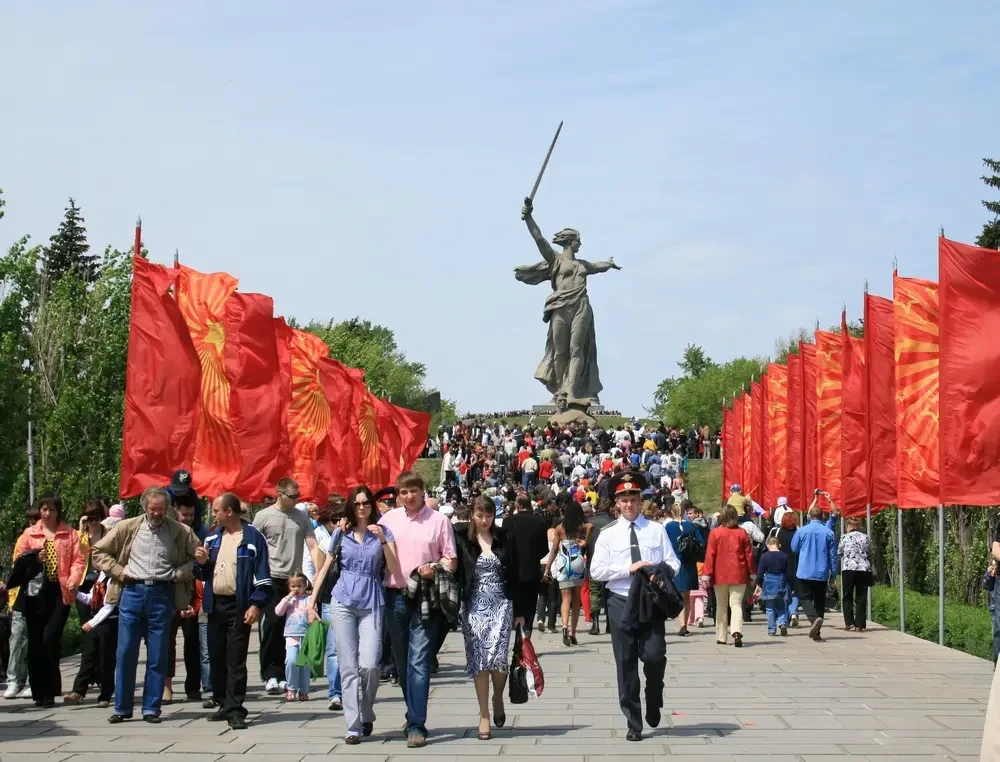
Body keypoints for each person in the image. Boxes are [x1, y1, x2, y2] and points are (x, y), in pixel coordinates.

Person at [91, 487, 199, 723]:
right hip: (132, 592)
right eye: (153, 509)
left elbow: (199, 558)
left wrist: (180, 573)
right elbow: (98, 552)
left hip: (162, 594)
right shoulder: (127, 527)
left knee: (158, 654)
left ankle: (151, 708)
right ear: (144, 507)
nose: (157, 513)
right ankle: (122, 708)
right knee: (126, 651)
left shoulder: (180, 531)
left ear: (167, 508)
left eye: (161, 509)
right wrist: (119, 571)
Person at [590, 471, 680, 742]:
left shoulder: (656, 530)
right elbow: (596, 571)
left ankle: (654, 694)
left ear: (641, 501)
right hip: (621, 601)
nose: (629, 504)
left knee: (654, 656)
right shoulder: (608, 534)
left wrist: (658, 572)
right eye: (624, 499)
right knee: (626, 662)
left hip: (650, 600)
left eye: (633, 499)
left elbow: (673, 563)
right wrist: (627, 569)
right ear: (616, 503)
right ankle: (633, 721)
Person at [310, 485, 400, 745]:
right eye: (357, 503)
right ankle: (352, 725)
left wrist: (383, 541)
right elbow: (326, 566)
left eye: (366, 503)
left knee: (370, 664)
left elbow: (393, 569)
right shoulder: (342, 532)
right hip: (343, 600)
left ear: (372, 505)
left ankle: (367, 710)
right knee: (348, 666)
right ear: (351, 506)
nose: (361, 507)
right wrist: (312, 601)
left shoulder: (383, 531)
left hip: (372, 600)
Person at [515, 197, 621, 411]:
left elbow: (598, 266)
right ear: (570, 241)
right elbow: (539, 239)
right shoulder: (555, 260)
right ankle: (560, 391)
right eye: (578, 240)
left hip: (581, 306)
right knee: (560, 351)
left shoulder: (583, 265)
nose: (580, 244)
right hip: (560, 307)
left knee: (577, 350)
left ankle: (571, 392)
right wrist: (529, 217)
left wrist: (609, 263)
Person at [378, 471, 457, 748]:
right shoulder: (388, 520)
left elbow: (451, 559)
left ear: (423, 491)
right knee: (402, 665)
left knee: (419, 662)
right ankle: (412, 711)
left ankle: (416, 725)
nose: (409, 496)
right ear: (398, 495)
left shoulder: (439, 521)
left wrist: (434, 568)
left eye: (414, 490)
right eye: (404, 492)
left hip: (425, 597)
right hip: (395, 597)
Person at [194, 493, 272, 729]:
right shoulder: (212, 537)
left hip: (239, 606)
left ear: (229, 511)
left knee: (235, 659)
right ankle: (223, 703)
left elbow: (262, 575)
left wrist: (256, 604)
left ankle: (236, 710)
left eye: (217, 510)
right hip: (215, 605)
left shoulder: (252, 538)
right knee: (216, 657)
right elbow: (203, 573)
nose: (213, 514)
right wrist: (202, 563)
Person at [252, 477, 324, 695]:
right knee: (272, 625)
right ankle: (270, 674)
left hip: (294, 580)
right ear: (279, 494)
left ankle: (286, 674)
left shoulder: (301, 517)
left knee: (293, 626)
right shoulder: (263, 516)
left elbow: (312, 545)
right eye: (291, 496)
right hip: (272, 577)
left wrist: (321, 571)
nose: (295, 500)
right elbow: (252, 545)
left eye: (297, 496)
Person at [16, 495, 85, 707]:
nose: (47, 513)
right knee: (36, 642)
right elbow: (18, 561)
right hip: (35, 592)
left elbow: (79, 560)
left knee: (50, 638)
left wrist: (73, 580)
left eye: (52, 510)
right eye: (44, 509)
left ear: (58, 512)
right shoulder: (30, 534)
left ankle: (51, 687)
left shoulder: (69, 533)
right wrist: (34, 559)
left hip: (59, 591)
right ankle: (40, 692)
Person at [455, 495, 514, 741]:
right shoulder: (462, 538)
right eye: (480, 515)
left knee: (499, 660)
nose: (484, 520)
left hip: (501, 605)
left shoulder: (503, 537)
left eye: (488, 515)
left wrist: (523, 612)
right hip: (474, 606)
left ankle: (498, 697)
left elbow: (516, 571)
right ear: (472, 515)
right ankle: (484, 714)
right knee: (479, 662)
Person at [65, 500, 113, 706]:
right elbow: (73, 554)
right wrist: (81, 527)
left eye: (96, 518)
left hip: (105, 583)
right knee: (90, 638)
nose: (93, 522)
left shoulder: (109, 533)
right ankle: (81, 688)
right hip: (85, 586)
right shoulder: (80, 536)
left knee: (103, 641)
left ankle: (101, 686)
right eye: (89, 518)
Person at [163, 501, 205, 704]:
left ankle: (193, 686)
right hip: (167, 594)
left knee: (193, 641)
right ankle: (166, 686)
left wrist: (179, 573)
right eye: (184, 514)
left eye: (191, 515)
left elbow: (200, 561)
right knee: (166, 642)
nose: (187, 518)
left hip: (190, 592)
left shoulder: (196, 534)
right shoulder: (164, 532)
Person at [702, 504, 755, 648]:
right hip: (739, 573)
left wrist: (707, 574)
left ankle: (721, 636)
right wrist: (752, 574)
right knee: (736, 604)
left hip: (720, 574)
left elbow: (710, 555)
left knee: (721, 605)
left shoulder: (715, 533)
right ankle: (736, 631)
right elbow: (749, 556)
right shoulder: (742, 533)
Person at [543, 496, 592, 647]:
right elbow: (591, 526)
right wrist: (585, 542)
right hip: (577, 562)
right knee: (576, 599)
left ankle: (564, 626)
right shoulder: (581, 527)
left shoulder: (559, 528)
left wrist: (547, 567)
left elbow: (554, 549)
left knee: (565, 598)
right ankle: (573, 632)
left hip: (564, 563)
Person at [4, 504, 41, 700]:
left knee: (37, 639)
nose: (33, 524)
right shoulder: (24, 539)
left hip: (42, 595)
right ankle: (14, 680)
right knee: (17, 637)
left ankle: (35, 681)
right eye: (31, 520)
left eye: (36, 520)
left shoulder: (52, 537)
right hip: (22, 595)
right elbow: (16, 571)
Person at [500, 493, 549, 639]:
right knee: (530, 604)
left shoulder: (509, 522)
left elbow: (504, 546)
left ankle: (518, 636)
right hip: (532, 569)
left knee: (516, 604)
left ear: (518, 505)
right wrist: (533, 557)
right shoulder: (540, 522)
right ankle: (527, 632)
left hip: (513, 570)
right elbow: (544, 548)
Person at [792, 504, 838, 642]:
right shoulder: (828, 532)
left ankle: (813, 619)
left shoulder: (802, 531)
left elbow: (794, 548)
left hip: (804, 570)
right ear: (822, 516)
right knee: (819, 600)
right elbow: (833, 555)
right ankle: (817, 631)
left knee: (804, 597)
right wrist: (834, 573)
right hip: (821, 571)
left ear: (809, 516)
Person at [664, 503, 703, 637]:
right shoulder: (691, 526)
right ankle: (684, 624)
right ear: (684, 513)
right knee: (687, 595)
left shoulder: (669, 526)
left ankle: (680, 623)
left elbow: (664, 544)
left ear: (672, 513)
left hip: (674, 563)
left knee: (677, 595)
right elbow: (701, 542)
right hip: (689, 563)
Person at [274, 571, 313, 701]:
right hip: (291, 635)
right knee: (291, 661)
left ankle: (304, 690)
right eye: (293, 586)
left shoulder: (308, 599)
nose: (296, 589)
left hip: (306, 635)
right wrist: (287, 599)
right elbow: (278, 612)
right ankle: (291, 688)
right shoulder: (288, 600)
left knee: (304, 664)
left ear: (305, 586)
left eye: (299, 586)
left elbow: (313, 612)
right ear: (289, 587)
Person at [585, 497, 616, 635]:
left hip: (593, 561)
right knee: (610, 592)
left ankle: (595, 624)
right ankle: (610, 623)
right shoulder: (615, 523)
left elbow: (584, 543)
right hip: (611, 562)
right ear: (610, 508)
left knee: (595, 592)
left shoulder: (589, 521)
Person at [838, 516, 872, 632]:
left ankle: (849, 622)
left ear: (848, 526)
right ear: (858, 526)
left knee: (847, 595)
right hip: (863, 569)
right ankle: (860, 624)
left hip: (849, 568)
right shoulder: (865, 537)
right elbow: (869, 552)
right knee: (861, 597)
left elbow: (839, 552)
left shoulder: (844, 537)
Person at [754, 536, 790, 636]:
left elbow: (760, 573)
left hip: (769, 581)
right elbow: (788, 572)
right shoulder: (785, 556)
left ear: (768, 545)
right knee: (781, 605)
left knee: (770, 608)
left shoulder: (764, 556)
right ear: (779, 545)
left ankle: (771, 629)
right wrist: (790, 585)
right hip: (781, 581)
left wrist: (758, 584)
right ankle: (782, 623)